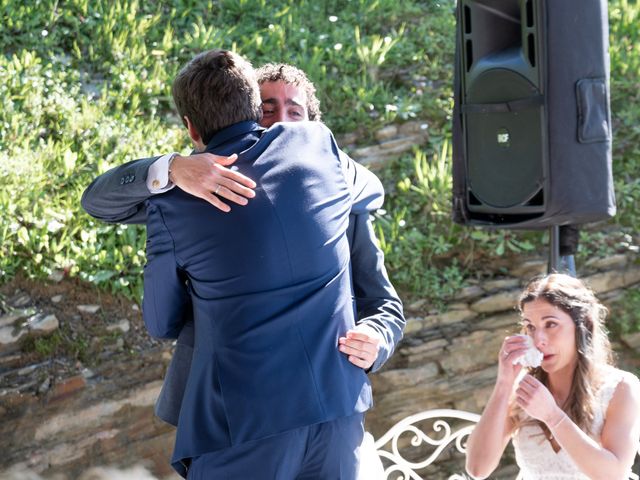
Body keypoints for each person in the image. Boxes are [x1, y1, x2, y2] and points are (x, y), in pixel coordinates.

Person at [107, 48, 382, 479]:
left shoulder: (173, 206)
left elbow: (161, 323)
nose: (285, 122)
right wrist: (173, 168)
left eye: (294, 111)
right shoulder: (318, 144)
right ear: (254, 110)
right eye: (271, 109)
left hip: (242, 425)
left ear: (191, 126)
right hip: (336, 415)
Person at [465, 273, 640, 479]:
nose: (539, 340)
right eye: (531, 327)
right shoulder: (523, 390)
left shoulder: (620, 388)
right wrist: (504, 383)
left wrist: (552, 416)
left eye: (550, 324)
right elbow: (477, 468)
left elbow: (613, 475)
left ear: (582, 326)